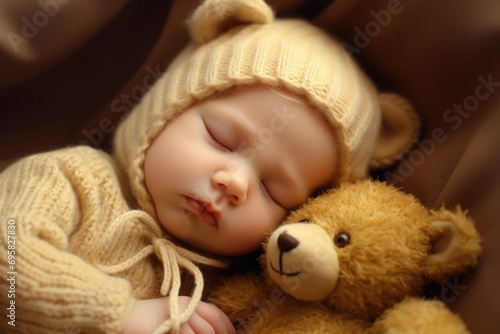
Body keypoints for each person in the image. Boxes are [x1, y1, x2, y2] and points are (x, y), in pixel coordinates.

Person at [0, 0, 420, 333]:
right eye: (221, 139)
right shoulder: (72, 179)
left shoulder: (226, 292)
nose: (234, 182)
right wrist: (122, 314)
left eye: (274, 190)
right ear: (166, 109)